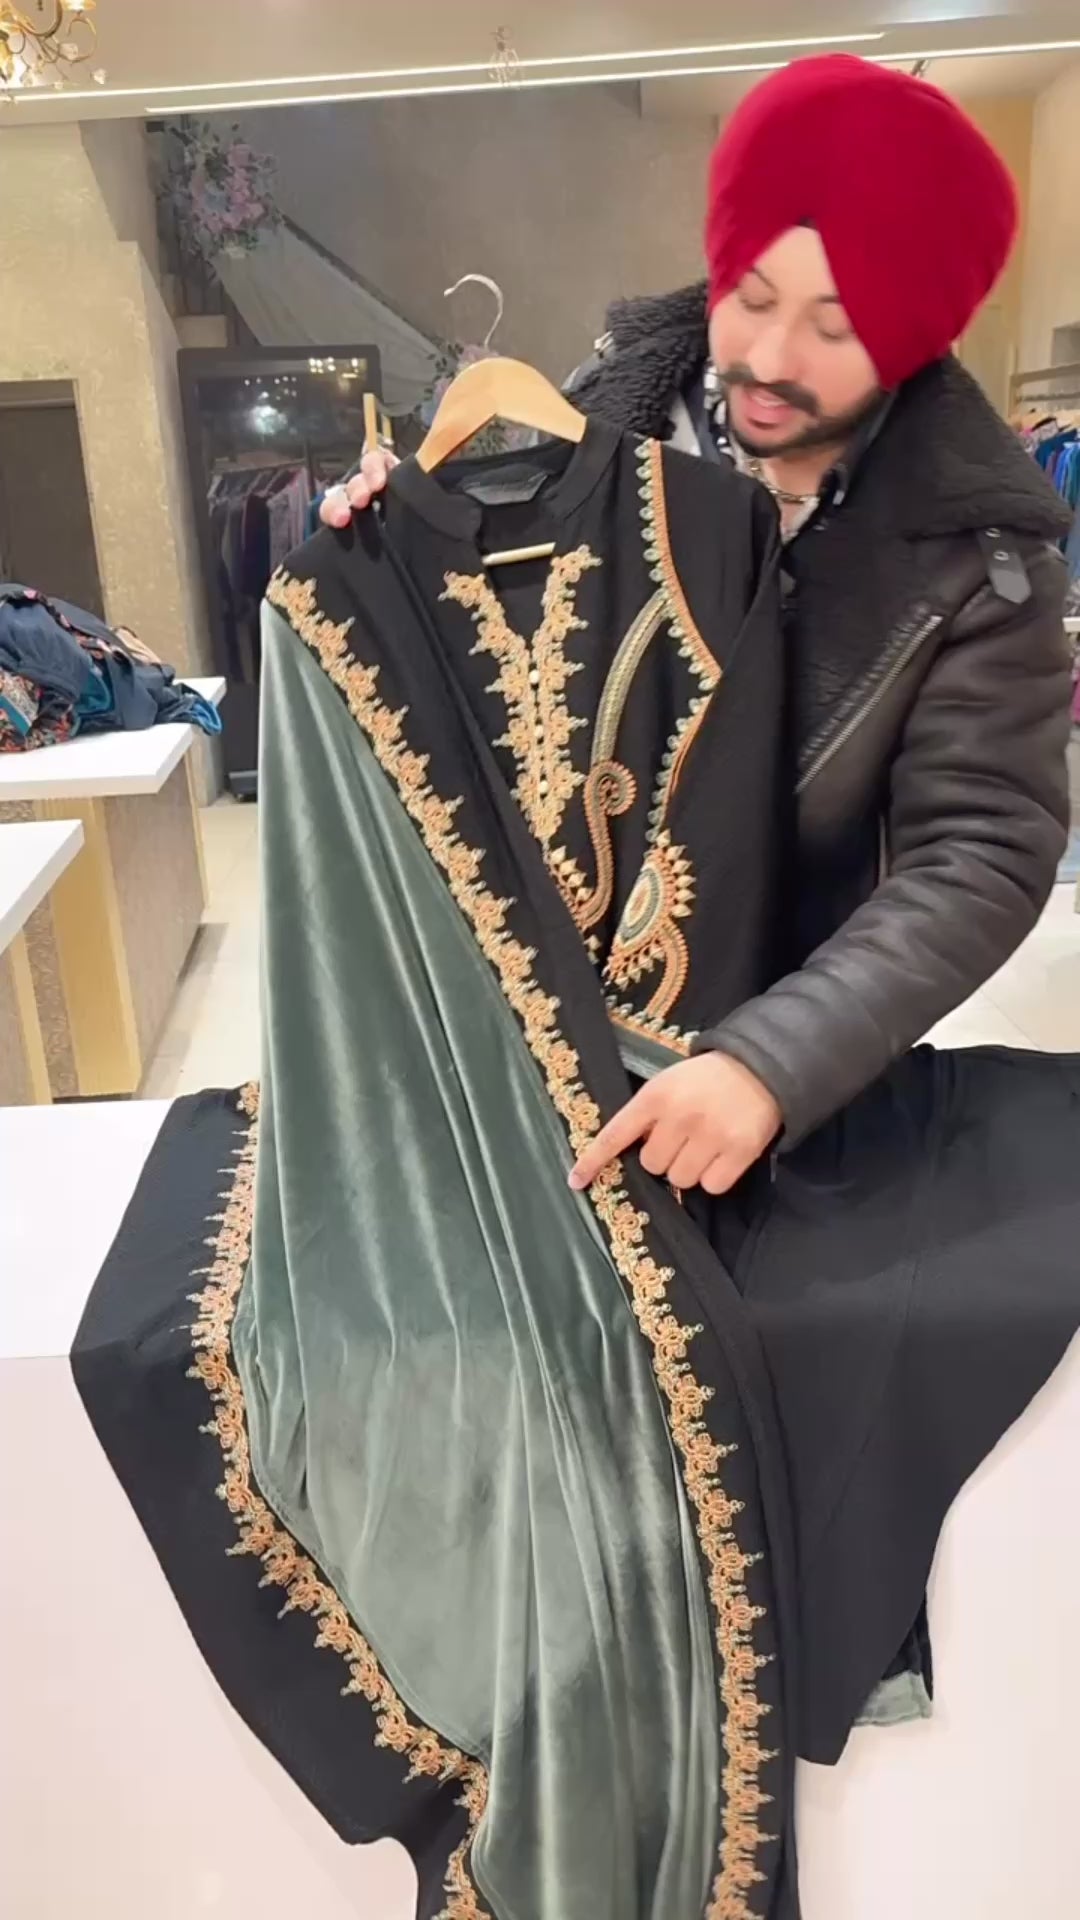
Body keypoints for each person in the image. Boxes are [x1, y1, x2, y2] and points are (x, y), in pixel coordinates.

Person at [321, 54, 1073, 1195]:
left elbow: (981, 852)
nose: (769, 361)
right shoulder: (589, 429)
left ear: (912, 337)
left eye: (836, 327)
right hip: (517, 1044)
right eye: (751, 298)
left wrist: (776, 1060)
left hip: (777, 1074)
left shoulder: (976, 563)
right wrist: (394, 548)